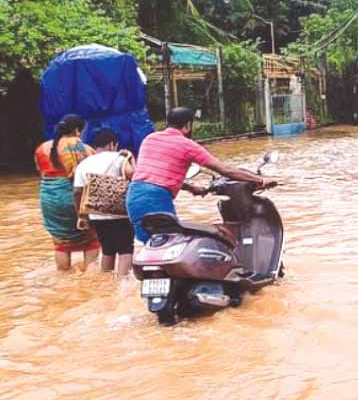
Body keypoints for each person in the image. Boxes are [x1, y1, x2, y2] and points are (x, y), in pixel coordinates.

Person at [126, 107, 278, 243]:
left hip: (133, 196)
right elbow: (225, 170)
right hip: (156, 197)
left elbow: (150, 174)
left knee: (154, 246)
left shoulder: (150, 139)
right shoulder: (187, 145)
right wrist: (261, 180)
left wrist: (189, 187)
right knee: (170, 244)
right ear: (187, 126)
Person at [34, 114, 100, 271]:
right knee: (91, 240)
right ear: (77, 130)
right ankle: (91, 280)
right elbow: (93, 178)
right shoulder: (87, 149)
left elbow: (41, 171)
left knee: (61, 243)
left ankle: (63, 276)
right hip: (76, 198)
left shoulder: (42, 148)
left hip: (50, 199)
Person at [73, 129, 136, 276]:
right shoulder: (119, 158)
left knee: (108, 250)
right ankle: (122, 283)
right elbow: (134, 176)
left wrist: (81, 216)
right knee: (125, 249)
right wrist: (131, 159)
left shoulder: (84, 163)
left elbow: (77, 191)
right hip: (119, 213)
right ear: (112, 144)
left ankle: (104, 282)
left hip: (96, 214)